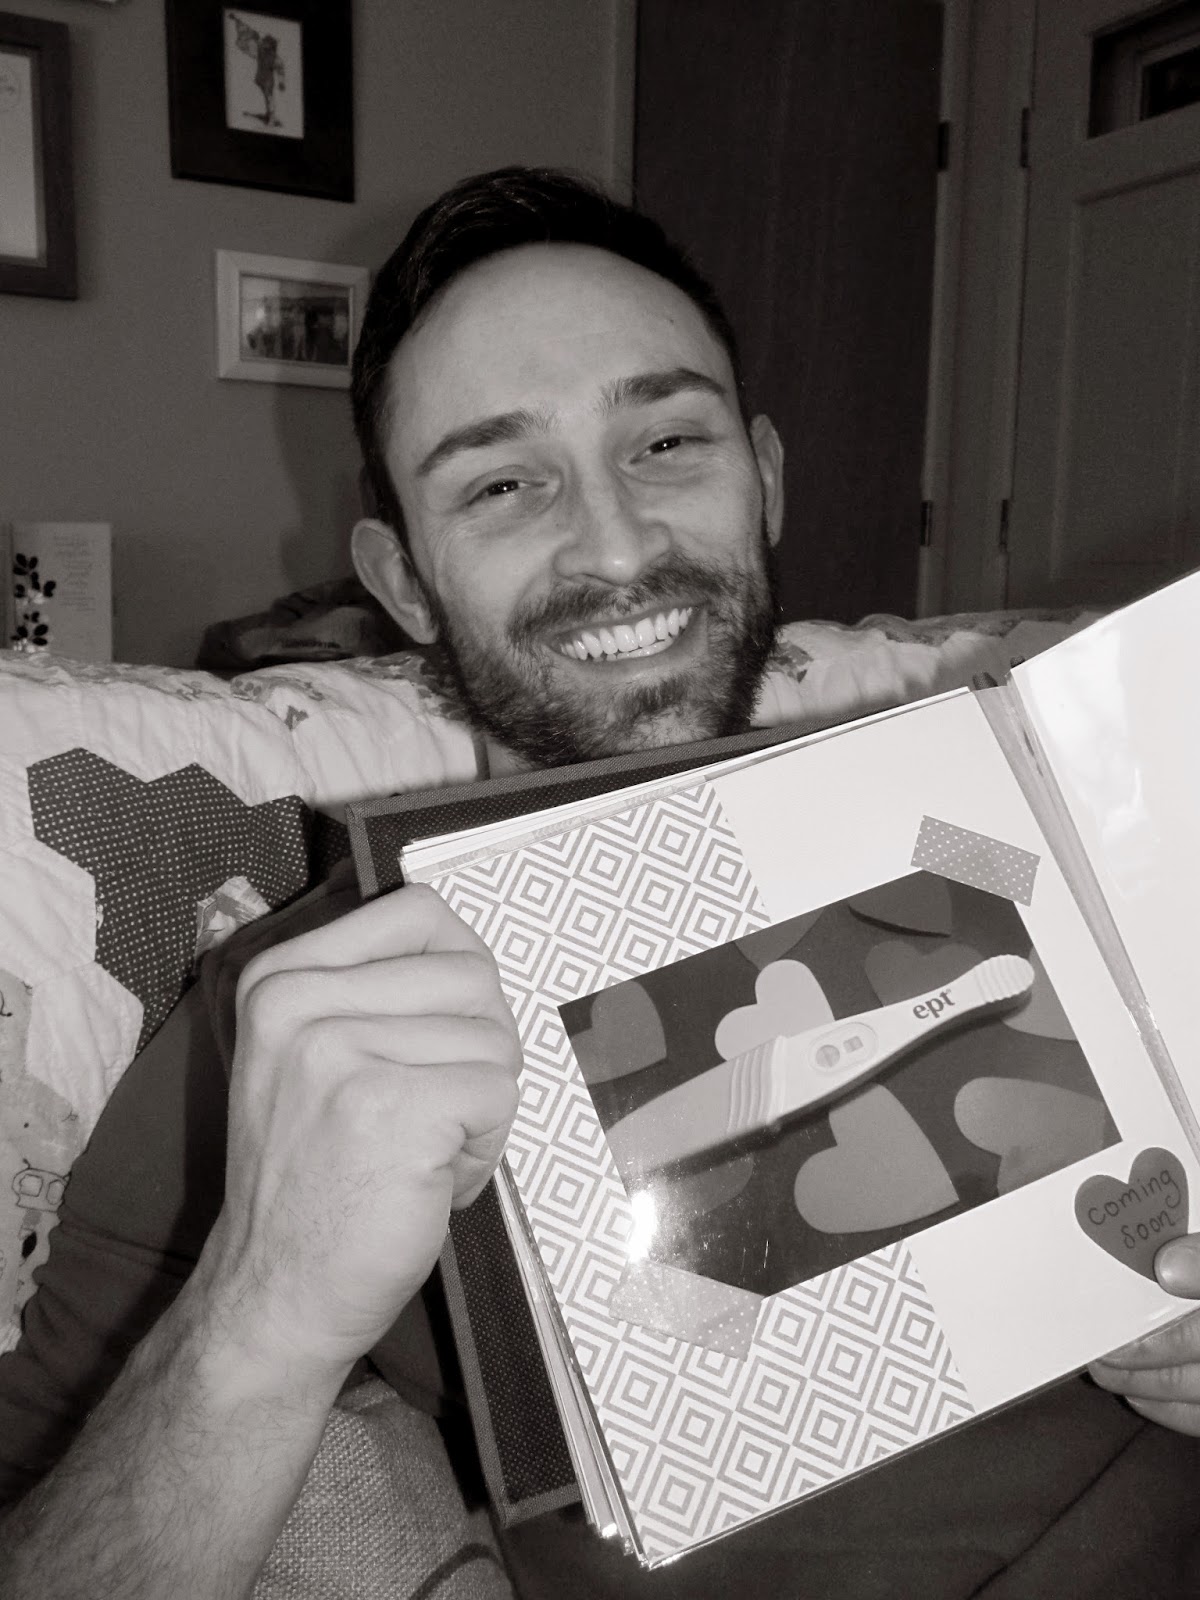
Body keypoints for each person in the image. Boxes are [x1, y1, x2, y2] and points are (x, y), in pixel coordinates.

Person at [1, 166, 1200, 1599]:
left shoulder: (1065, 821)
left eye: (668, 442)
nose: (619, 546)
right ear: (402, 578)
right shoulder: (299, 1020)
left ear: (764, 478)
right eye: (503, 484)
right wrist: (255, 1320)